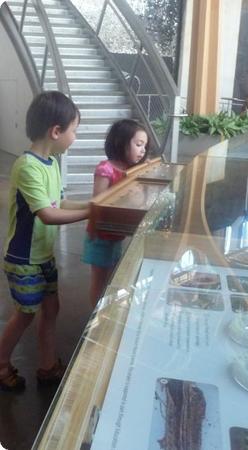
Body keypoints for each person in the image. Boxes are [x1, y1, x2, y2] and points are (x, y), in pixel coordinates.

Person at [0, 91, 89, 391]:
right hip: (23, 259)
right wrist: (92, 214)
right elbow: (48, 215)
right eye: (74, 130)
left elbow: (60, 204)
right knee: (25, 315)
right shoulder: (27, 167)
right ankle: (0, 364)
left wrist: (95, 205)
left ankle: (47, 366)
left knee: (51, 310)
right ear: (56, 130)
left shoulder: (50, 163)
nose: (74, 137)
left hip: (43, 256)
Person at [82, 119, 149, 308]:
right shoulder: (106, 169)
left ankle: (106, 309)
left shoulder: (132, 170)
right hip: (101, 236)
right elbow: (99, 202)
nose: (143, 150)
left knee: (111, 276)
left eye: (145, 145)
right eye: (138, 144)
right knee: (99, 279)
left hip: (115, 235)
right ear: (120, 142)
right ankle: (95, 316)